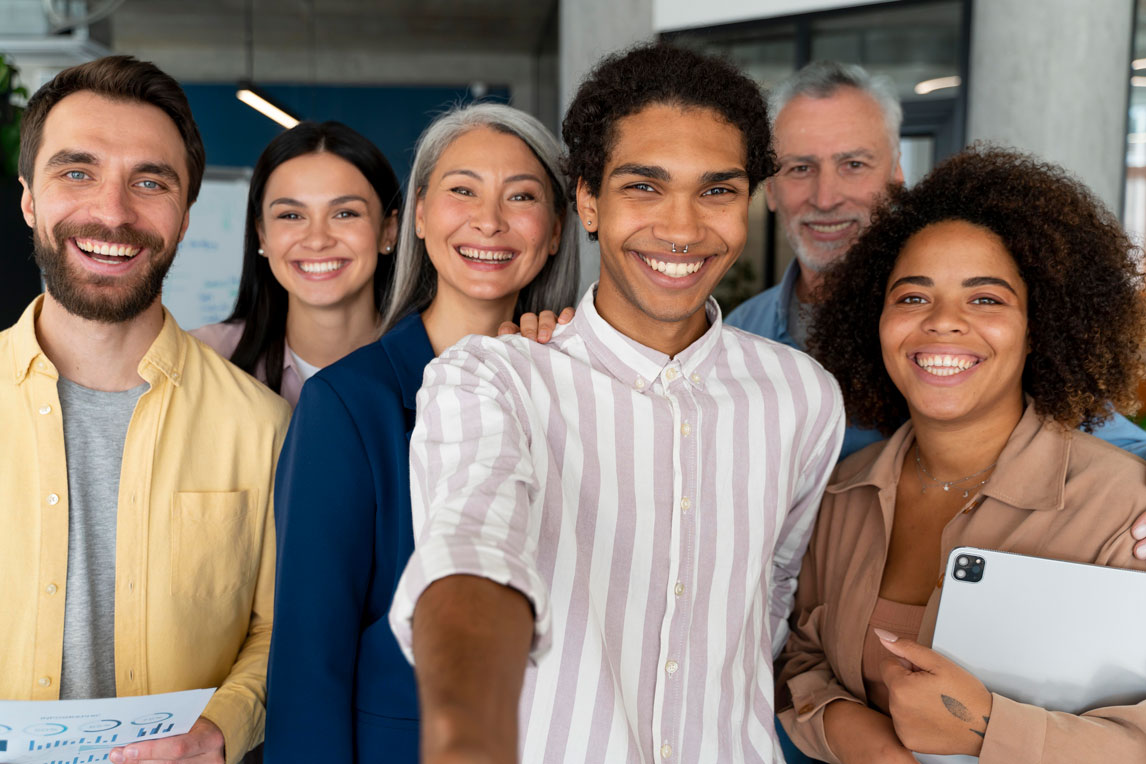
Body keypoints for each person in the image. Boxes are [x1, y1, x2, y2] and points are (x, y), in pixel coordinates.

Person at [388, 44, 846, 764]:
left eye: (717, 191)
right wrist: (467, 739)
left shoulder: (803, 397)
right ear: (589, 200)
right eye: (645, 187)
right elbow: (470, 551)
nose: (683, 229)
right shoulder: (490, 379)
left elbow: (771, 593)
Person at [776, 146, 1146, 764]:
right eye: (913, 298)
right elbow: (800, 660)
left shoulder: (1122, 510)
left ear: (1039, 327)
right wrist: (862, 741)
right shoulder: (838, 493)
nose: (943, 323)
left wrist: (984, 730)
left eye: (986, 299)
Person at [263, 102, 579, 764]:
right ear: (422, 218)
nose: (489, 220)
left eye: (521, 196)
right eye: (462, 190)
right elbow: (309, 662)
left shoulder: (580, 391)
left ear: (554, 232)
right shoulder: (346, 405)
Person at [0, 56, 289, 764]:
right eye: (77, 172)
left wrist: (220, 729)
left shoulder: (264, 428)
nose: (113, 211)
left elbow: (280, 632)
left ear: (186, 216)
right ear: (29, 198)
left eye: (150, 181)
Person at [726, 60, 1146, 464]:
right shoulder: (736, 337)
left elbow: (1123, 450)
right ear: (772, 190)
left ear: (895, 174)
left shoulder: (986, 330)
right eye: (800, 168)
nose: (826, 197)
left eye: (854, 164)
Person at [192, 121, 401, 407]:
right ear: (262, 235)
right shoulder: (203, 361)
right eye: (291, 216)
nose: (317, 240)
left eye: (345, 214)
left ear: (388, 230)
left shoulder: (434, 367)